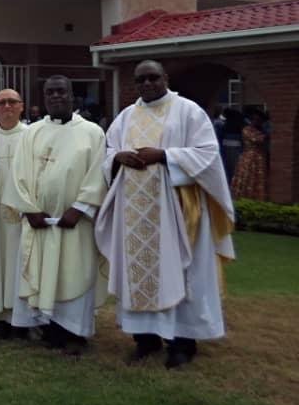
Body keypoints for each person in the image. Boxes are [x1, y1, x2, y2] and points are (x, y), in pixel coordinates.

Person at [96, 61, 236, 368]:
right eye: (140, 80)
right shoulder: (126, 116)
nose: (147, 84)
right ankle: (144, 339)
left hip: (178, 212)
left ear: (165, 79)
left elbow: (207, 154)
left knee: (183, 272)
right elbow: (107, 153)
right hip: (133, 215)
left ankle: (182, 343)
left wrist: (164, 155)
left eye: (153, 77)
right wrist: (117, 157)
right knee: (138, 274)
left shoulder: (187, 111)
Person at [9, 75, 107, 354]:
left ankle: (75, 332)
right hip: (40, 222)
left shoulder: (92, 132)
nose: (55, 97)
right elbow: (19, 175)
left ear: (72, 95)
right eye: (50, 92)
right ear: (44, 97)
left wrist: (80, 209)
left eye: (61, 91)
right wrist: (29, 209)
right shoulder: (31, 132)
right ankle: (49, 328)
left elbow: (97, 173)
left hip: (74, 223)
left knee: (73, 272)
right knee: (43, 272)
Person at [0, 88, 29, 335]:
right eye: (1, 103)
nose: (7, 107)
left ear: (21, 106)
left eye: (12, 102)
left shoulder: (32, 136)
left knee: (22, 260)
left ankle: (23, 316)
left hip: (24, 213)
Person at [231, 109, 268, 200]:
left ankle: (257, 197)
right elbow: (257, 139)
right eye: (255, 119)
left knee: (258, 178)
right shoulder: (246, 130)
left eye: (259, 120)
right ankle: (244, 197)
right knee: (247, 177)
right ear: (252, 120)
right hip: (249, 157)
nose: (257, 122)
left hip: (259, 158)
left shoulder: (261, 130)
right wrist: (267, 136)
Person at [218, 108, 244, 184]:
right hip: (237, 147)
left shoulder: (224, 125)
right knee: (235, 167)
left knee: (228, 167)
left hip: (226, 147)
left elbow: (220, 136)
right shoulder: (240, 124)